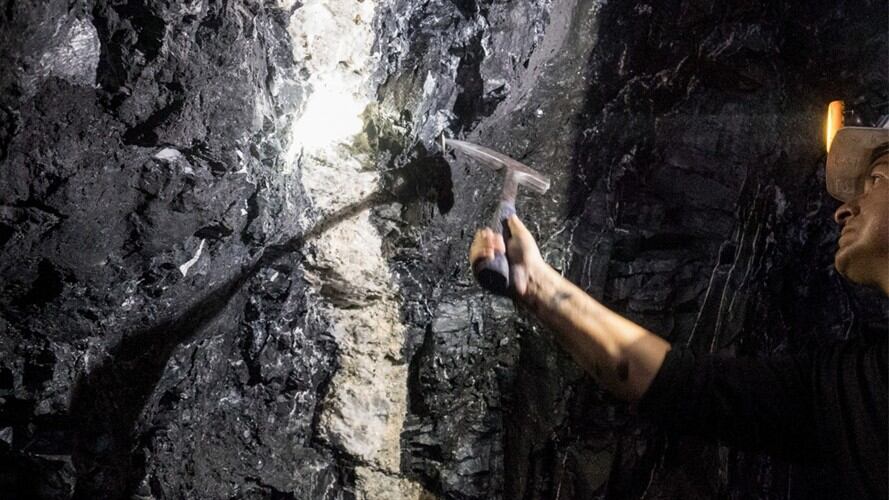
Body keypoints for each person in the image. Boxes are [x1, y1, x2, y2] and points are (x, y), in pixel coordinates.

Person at [468, 104, 888, 498]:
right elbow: (686, 387)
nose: (844, 210)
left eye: (876, 181)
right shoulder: (851, 389)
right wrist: (537, 284)